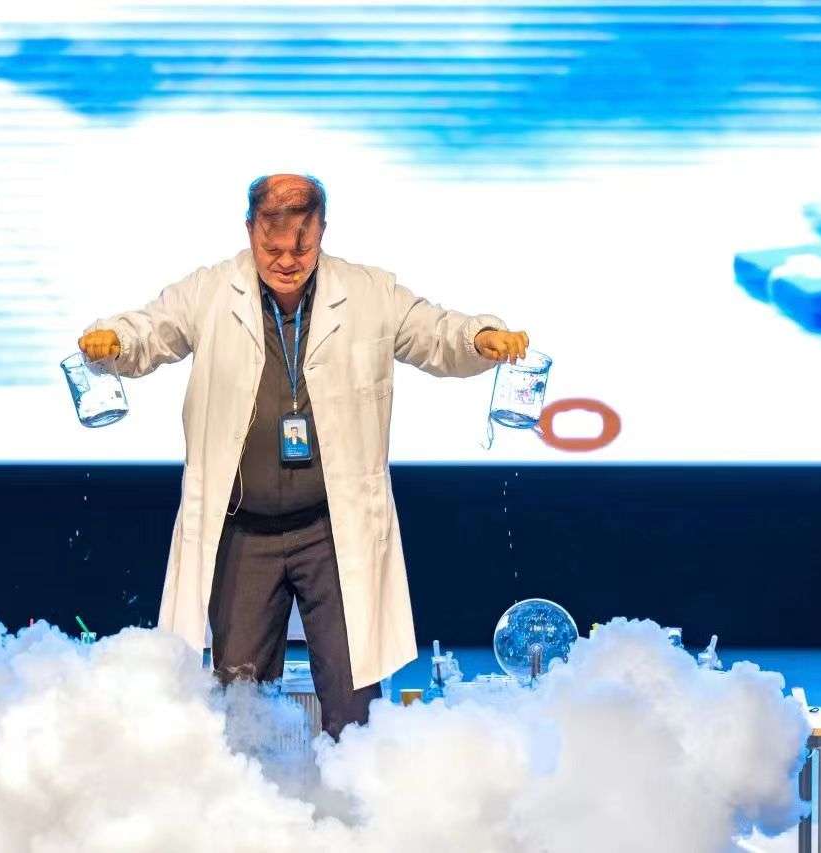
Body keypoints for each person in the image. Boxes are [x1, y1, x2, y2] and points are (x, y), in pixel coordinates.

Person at [79, 174, 528, 737]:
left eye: (302, 246)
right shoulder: (210, 292)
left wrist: (480, 337)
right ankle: (248, 791)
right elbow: (151, 329)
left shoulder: (368, 292)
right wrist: (115, 339)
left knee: (352, 697)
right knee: (239, 700)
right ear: (250, 231)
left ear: (322, 231)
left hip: (331, 530)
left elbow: (437, 333)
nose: (288, 261)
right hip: (244, 530)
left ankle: (353, 790)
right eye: (272, 249)